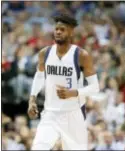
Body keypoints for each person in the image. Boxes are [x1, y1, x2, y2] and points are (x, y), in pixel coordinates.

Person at [28, 13, 99, 150]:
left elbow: (95, 87)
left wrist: (74, 93)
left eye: (63, 29)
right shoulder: (45, 53)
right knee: (38, 148)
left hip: (73, 114)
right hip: (50, 113)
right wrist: (32, 99)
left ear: (71, 32)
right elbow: (39, 76)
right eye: (56, 29)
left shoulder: (81, 55)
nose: (58, 32)